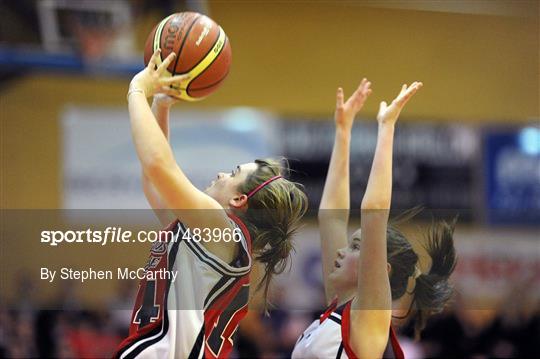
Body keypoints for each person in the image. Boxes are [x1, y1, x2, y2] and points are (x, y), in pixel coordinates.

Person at [114, 49, 308, 358]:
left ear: (239, 199)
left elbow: (157, 165)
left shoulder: (221, 228)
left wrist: (138, 89)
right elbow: (154, 181)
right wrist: (161, 105)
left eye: (233, 173)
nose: (221, 173)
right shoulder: (212, 235)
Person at [292, 79, 457, 358]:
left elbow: (374, 213)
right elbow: (331, 217)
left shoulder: (370, 319)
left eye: (356, 246)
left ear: (381, 267)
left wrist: (387, 127)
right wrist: (343, 132)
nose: (342, 250)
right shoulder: (338, 306)